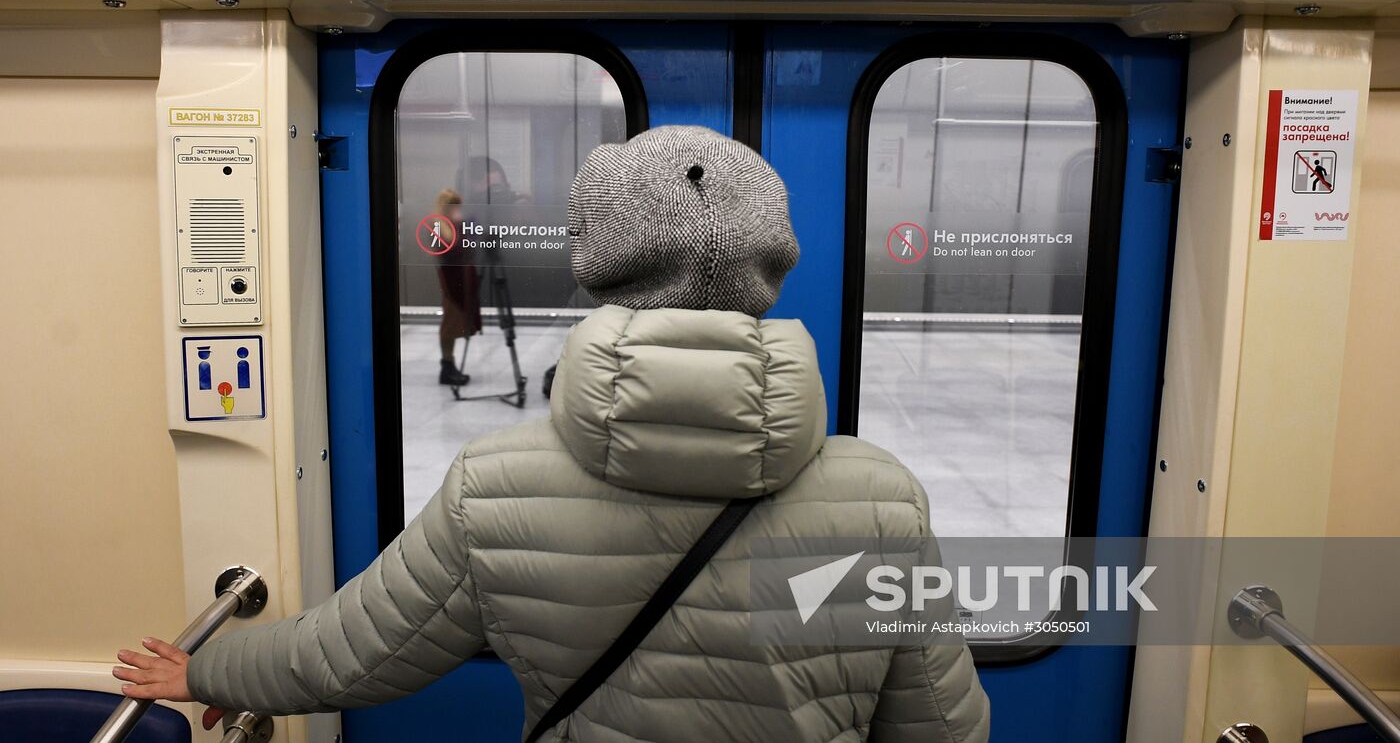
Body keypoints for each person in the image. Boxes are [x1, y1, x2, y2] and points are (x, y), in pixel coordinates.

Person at [112, 125, 990, 742]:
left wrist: (206, 674)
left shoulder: (496, 484)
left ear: (600, 264)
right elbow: (941, 725)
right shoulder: (880, 499)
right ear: (772, 263)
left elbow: (353, 651)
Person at [432, 187, 479, 387]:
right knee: (451, 322)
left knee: (456, 320)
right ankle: (447, 365)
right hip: (452, 279)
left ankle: (449, 364)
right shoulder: (440, 224)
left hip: (462, 275)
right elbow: (452, 246)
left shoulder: (453, 223)